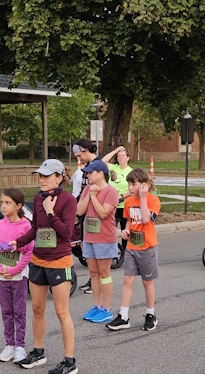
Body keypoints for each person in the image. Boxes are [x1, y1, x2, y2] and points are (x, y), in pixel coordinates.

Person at [13, 159, 79, 374]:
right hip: (38, 261)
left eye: (46, 176)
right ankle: (38, 352)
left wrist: (51, 212)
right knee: (37, 308)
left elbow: (67, 233)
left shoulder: (68, 200)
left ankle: (69, 361)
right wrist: (18, 242)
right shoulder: (37, 198)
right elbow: (35, 229)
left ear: (59, 178)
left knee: (61, 312)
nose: (41, 179)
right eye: (40, 175)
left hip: (59, 261)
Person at [106, 167, 161, 332]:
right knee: (127, 280)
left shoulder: (153, 200)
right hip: (132, 246)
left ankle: (150, 314)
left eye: (133, 184)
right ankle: (123, 316)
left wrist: (143, 198)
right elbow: (130, 220)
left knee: (147, 281)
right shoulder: (129, 201)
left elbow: (145, 219)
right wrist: (126, 230)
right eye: (129, 183)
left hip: (147, 246)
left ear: (143, 185)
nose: (130, 187)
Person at [0, 188, 33, 363]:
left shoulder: (25, 226)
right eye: (2, 203)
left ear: (18, 205)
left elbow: (29, 252)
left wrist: (15, 270)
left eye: (8, 203)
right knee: (6, 311)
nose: (3, 206)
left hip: (18, 275)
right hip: (1, 276)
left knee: (19, 311)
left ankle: (20, 347)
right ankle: (9, 345)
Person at [77, 159, 120, 323]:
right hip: (89, 237)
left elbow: (103, 213)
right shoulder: (87, 189)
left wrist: (94, 197)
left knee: (104, 273)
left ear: (101, 173)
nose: (87, 175)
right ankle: (97, 306)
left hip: (104, 238)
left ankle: (107, 309)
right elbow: (79, 211)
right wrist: (89, 194)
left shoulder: (111, 191)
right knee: (93, 273)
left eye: (90, 172)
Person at [69, 139, 95, 293]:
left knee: (93, 249)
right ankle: (92, 279)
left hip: (94, 214)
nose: (79, 159)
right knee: (86, 247)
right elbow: (78, 192)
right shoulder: (82, 171)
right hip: (83, 211)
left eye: (79, 155)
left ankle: (95, 282)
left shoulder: (98, 166)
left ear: (86, 150)